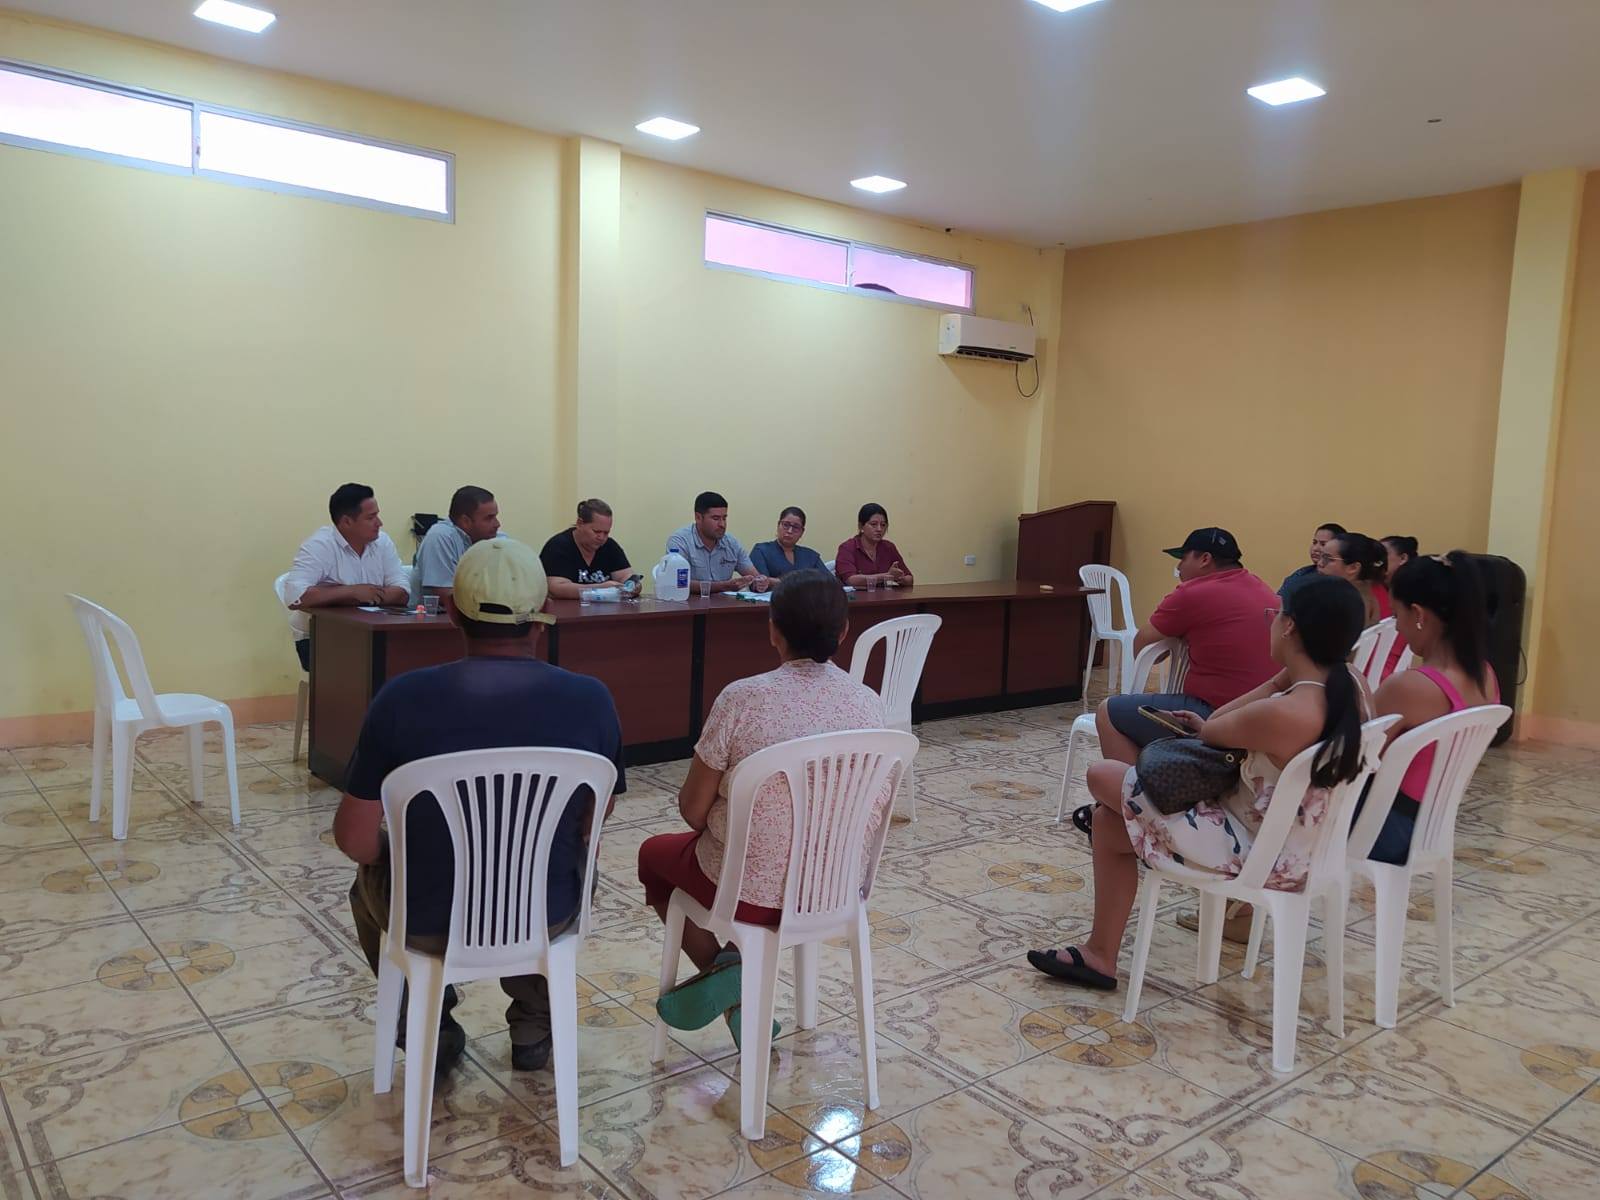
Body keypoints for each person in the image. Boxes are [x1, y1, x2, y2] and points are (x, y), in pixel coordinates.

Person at [332, 538, 626, 1075]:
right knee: (562, 858)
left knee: (367, 880)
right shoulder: (592, 700)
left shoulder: (401, 699)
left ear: (450, 611)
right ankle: (534, 1026)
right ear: (543, 617)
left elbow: (354, 840)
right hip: (546, 913)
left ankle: (428, 1025)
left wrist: (397, 848)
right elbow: (594, 819)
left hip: (425, 919)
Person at [1027, 575, 1372, 991]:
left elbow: (1214, 727)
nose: (1270, 622)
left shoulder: (1285, 711)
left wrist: (1278, 680)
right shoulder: (1353, 686)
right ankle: (1099, 955)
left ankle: (1102, 950)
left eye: (1275, 614)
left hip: (1258, 852)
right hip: (1309, 848)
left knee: (1101, 776)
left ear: (1290, 627)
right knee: (1107, 822)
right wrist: (1289, 676)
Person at [638, 570, 886, 1044]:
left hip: (748, 894)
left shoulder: (743, 699)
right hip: (836, 886)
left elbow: (692, 811)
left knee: (653, 857)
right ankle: (732, 979)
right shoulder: (868, 704)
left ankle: (730, 980)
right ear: (843, 632)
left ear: (772, 629)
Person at [1091, 528, 1278, 771]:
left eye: (1183, 558)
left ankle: (1134, 792)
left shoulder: (1193, 592)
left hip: (1215, 715)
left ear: (1205, 559)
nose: (1178, 567)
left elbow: (1142, 646)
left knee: (1108, 712)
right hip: (1266, 716)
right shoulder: (1261, 587)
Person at [1359, 552, 1499, 864]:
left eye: (1397, 615)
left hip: (1386, 831)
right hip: (1432, 825)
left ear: (1418, 614)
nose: (1397, 628)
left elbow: (1352, 761)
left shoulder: (1410, 687)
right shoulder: (1486, 675)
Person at [286, 483, 410, 670]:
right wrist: (351, 592)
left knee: (406, 661)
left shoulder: (383, 542)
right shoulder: (319, 546)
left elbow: (402, 591)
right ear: (346, 522)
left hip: (372, 633)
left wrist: (364, 595)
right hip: (319, 638)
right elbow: (294, 597)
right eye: (371, 517)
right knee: (370, 669)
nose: (379, 523)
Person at [412, 485, 501, 605]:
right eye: (489, 518)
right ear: (465, 521)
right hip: (437, 615)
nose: (497, 524)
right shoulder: (440, 536)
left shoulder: (498, 539)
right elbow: (445, 596)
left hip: (479, 613)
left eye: (495, 516)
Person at [666, 491, 770, 593]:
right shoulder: (680, 541)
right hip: (689, 602)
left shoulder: (731, 543)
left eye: (724, 518)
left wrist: (759, 582)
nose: (722, 524)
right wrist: (723, 586)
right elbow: (678, 582)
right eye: (716, 518)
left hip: (723, 603)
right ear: (698, 517)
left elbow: (754, 576)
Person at [540, 498, 633, 599]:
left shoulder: (609, 546)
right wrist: (599, 589)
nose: (601, 537)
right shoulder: (558, 546)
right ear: (580, 523)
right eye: (596, 531)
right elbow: (555, 588)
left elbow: (625, 576)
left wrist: (633, 584)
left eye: (606, 533)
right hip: (565, 608)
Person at [1318, 531, 1391, 627]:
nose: (1320, 563)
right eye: (1320, 556)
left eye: (1328, 559)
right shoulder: (1369, 591)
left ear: (1353, 568)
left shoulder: (1342, 603)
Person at [834, 503, 914, 588]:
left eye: (883, 525)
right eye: (873, 524)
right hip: (856, 596)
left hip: (886, 596)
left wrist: (901, 579)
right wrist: (888, 576)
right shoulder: (847, 548)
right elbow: (851, 580)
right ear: (861, 526)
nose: (879, 529)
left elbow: (909, 578)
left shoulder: (889, 547)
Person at [750, 507, 827, 578]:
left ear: (802, 532)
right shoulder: (761, 551)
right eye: (786, 525)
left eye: (796, 527)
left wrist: (774, 581)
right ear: (778, 525)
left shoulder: (811, 556)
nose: (790, 531)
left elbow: (829, 582)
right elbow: (760, 582)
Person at [1280, 522, 1346, 596]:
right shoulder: (1300, 575)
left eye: (1323, 544)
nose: (1315, 548)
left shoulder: (1345, 579)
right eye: (1314, 542)